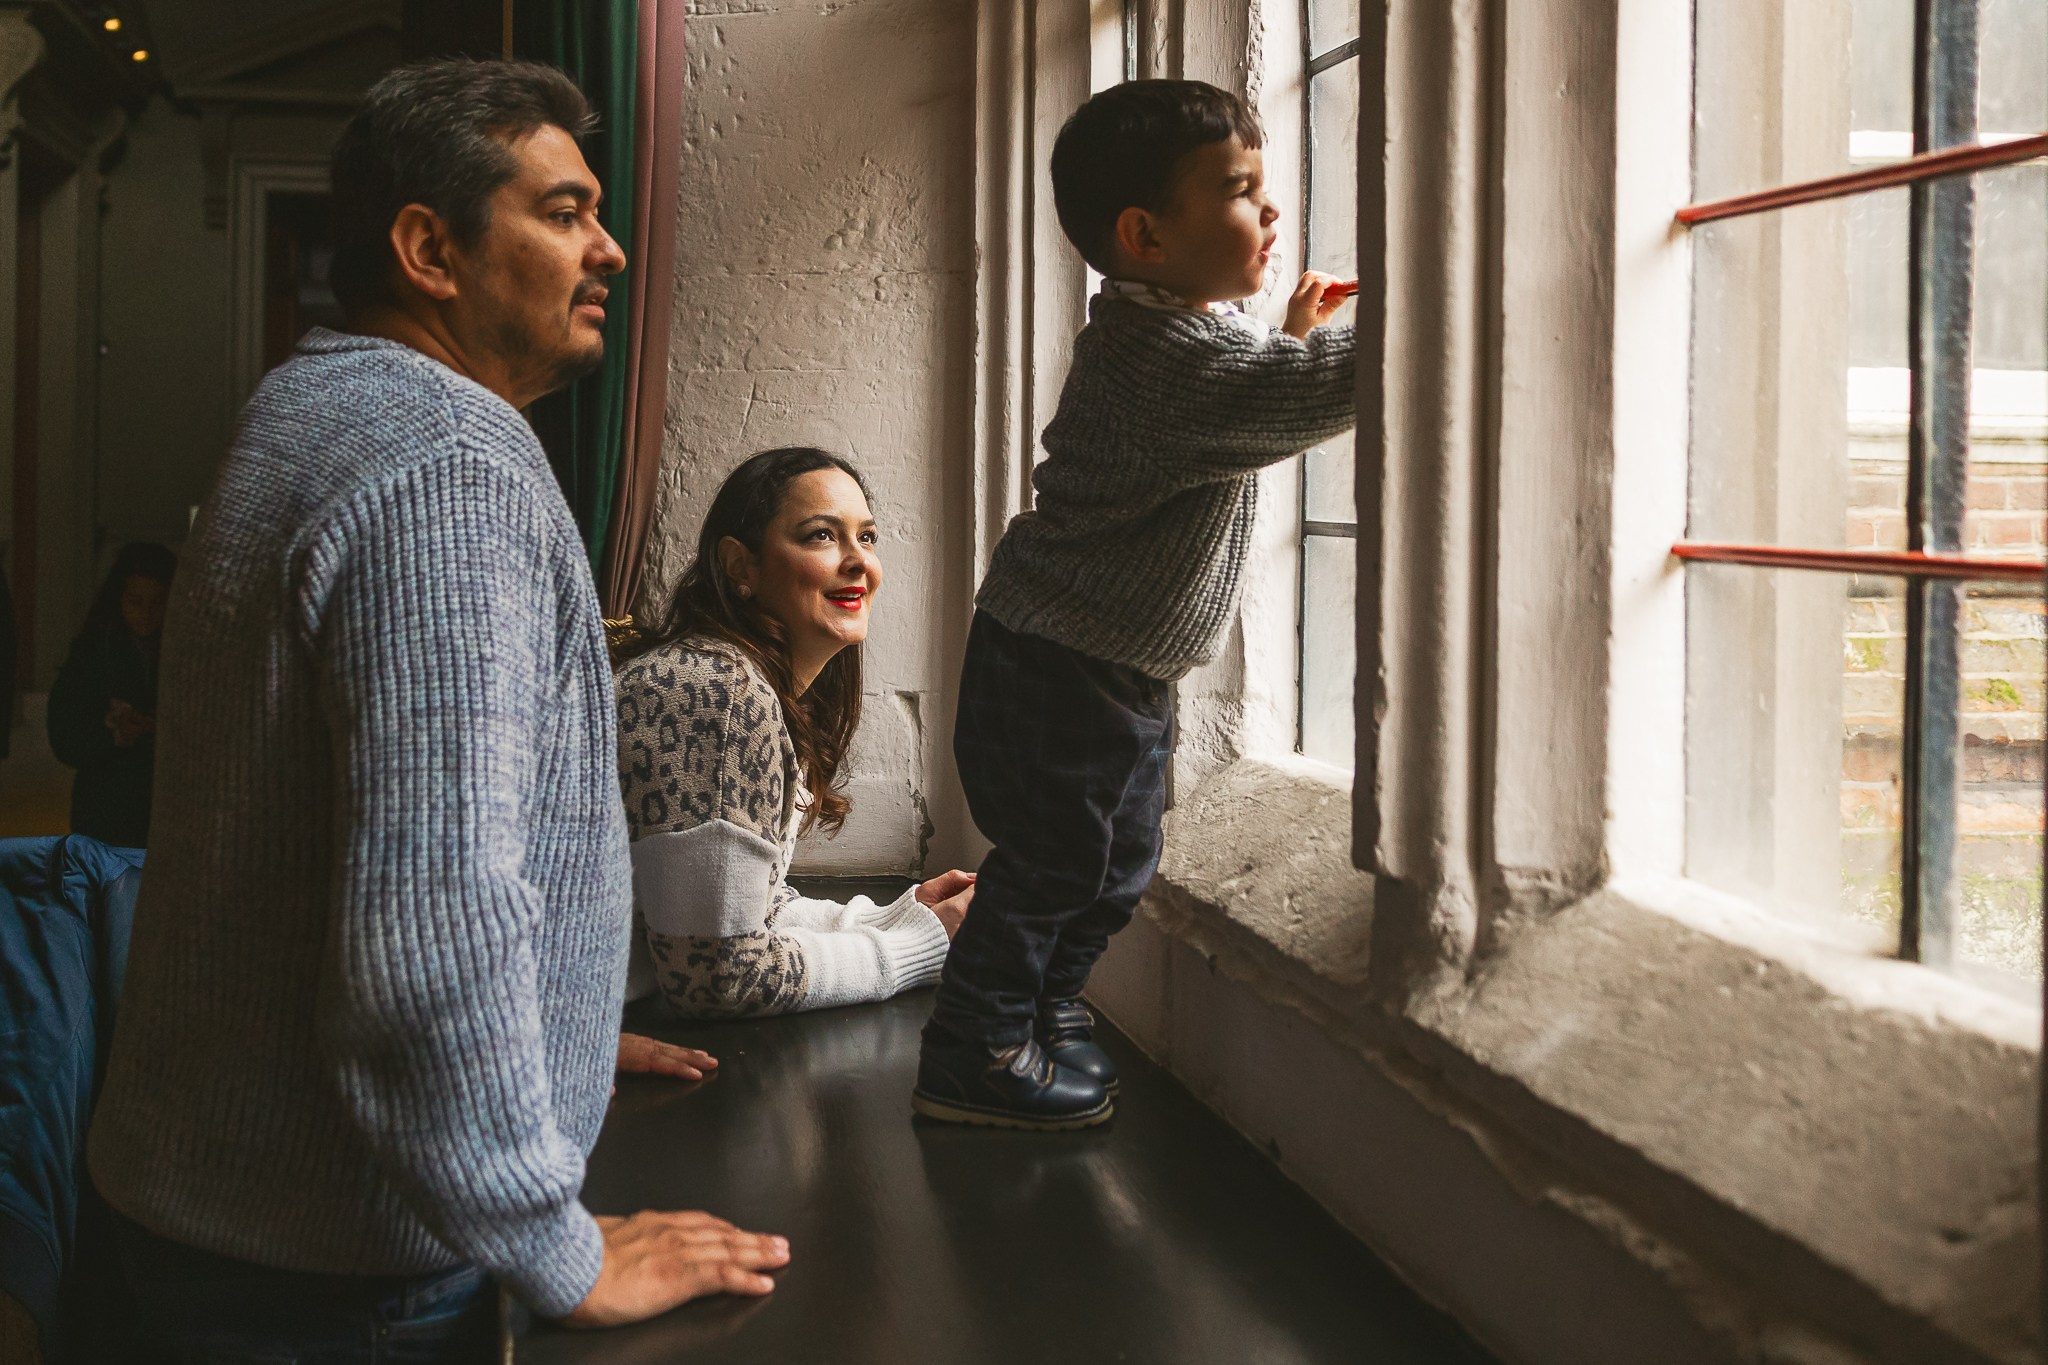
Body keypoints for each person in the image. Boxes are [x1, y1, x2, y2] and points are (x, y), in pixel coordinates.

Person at [86, 58, 787, 1363]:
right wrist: (553, 1244)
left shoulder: (315, 406)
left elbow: (326, 838)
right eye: (565, 210)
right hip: (330, 1281)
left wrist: (552, 1019)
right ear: (429, 249)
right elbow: (427, 934)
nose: (613, 249)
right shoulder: (444, 471)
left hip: (205, 1217)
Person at [914, 79, 1356, 1129]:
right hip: (1057, 657)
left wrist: (1284, 336)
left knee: (1117, 862)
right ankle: (968, 1053)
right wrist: (1432, 292)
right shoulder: (1159, 356)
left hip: (1108, 661)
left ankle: (1042, 1010)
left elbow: (1248, 389)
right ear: (1144, 234)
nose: (1272, 212)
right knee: (1055, 862)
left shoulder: (1182, 330)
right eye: (1241, 192)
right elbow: (1282, 401)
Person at [615, 447, 975, 1019]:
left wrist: (896, 916)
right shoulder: (713, 692)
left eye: (868, 536)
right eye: (822, 536)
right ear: (741, 569)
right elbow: (719, 975)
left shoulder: (743, 681)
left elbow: (743, 911)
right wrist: (923, 945)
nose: (860, 562)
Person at [46, 543, 175, 848]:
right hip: (106, 808)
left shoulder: (185, 654)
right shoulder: (94, 652)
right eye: (135, 601)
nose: (146, 613)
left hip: (164, 809)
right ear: (119, 599)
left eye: (157, 602)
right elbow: (64, 734)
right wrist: (111, 732)